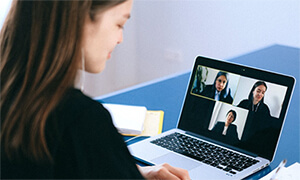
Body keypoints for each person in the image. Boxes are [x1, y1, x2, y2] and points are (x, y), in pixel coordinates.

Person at [0, 1, 190, 179]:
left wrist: (133, 171)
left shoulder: (12, 95)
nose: (120, 39)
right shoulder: (82, 122)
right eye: (119, 24)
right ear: (80, 17)